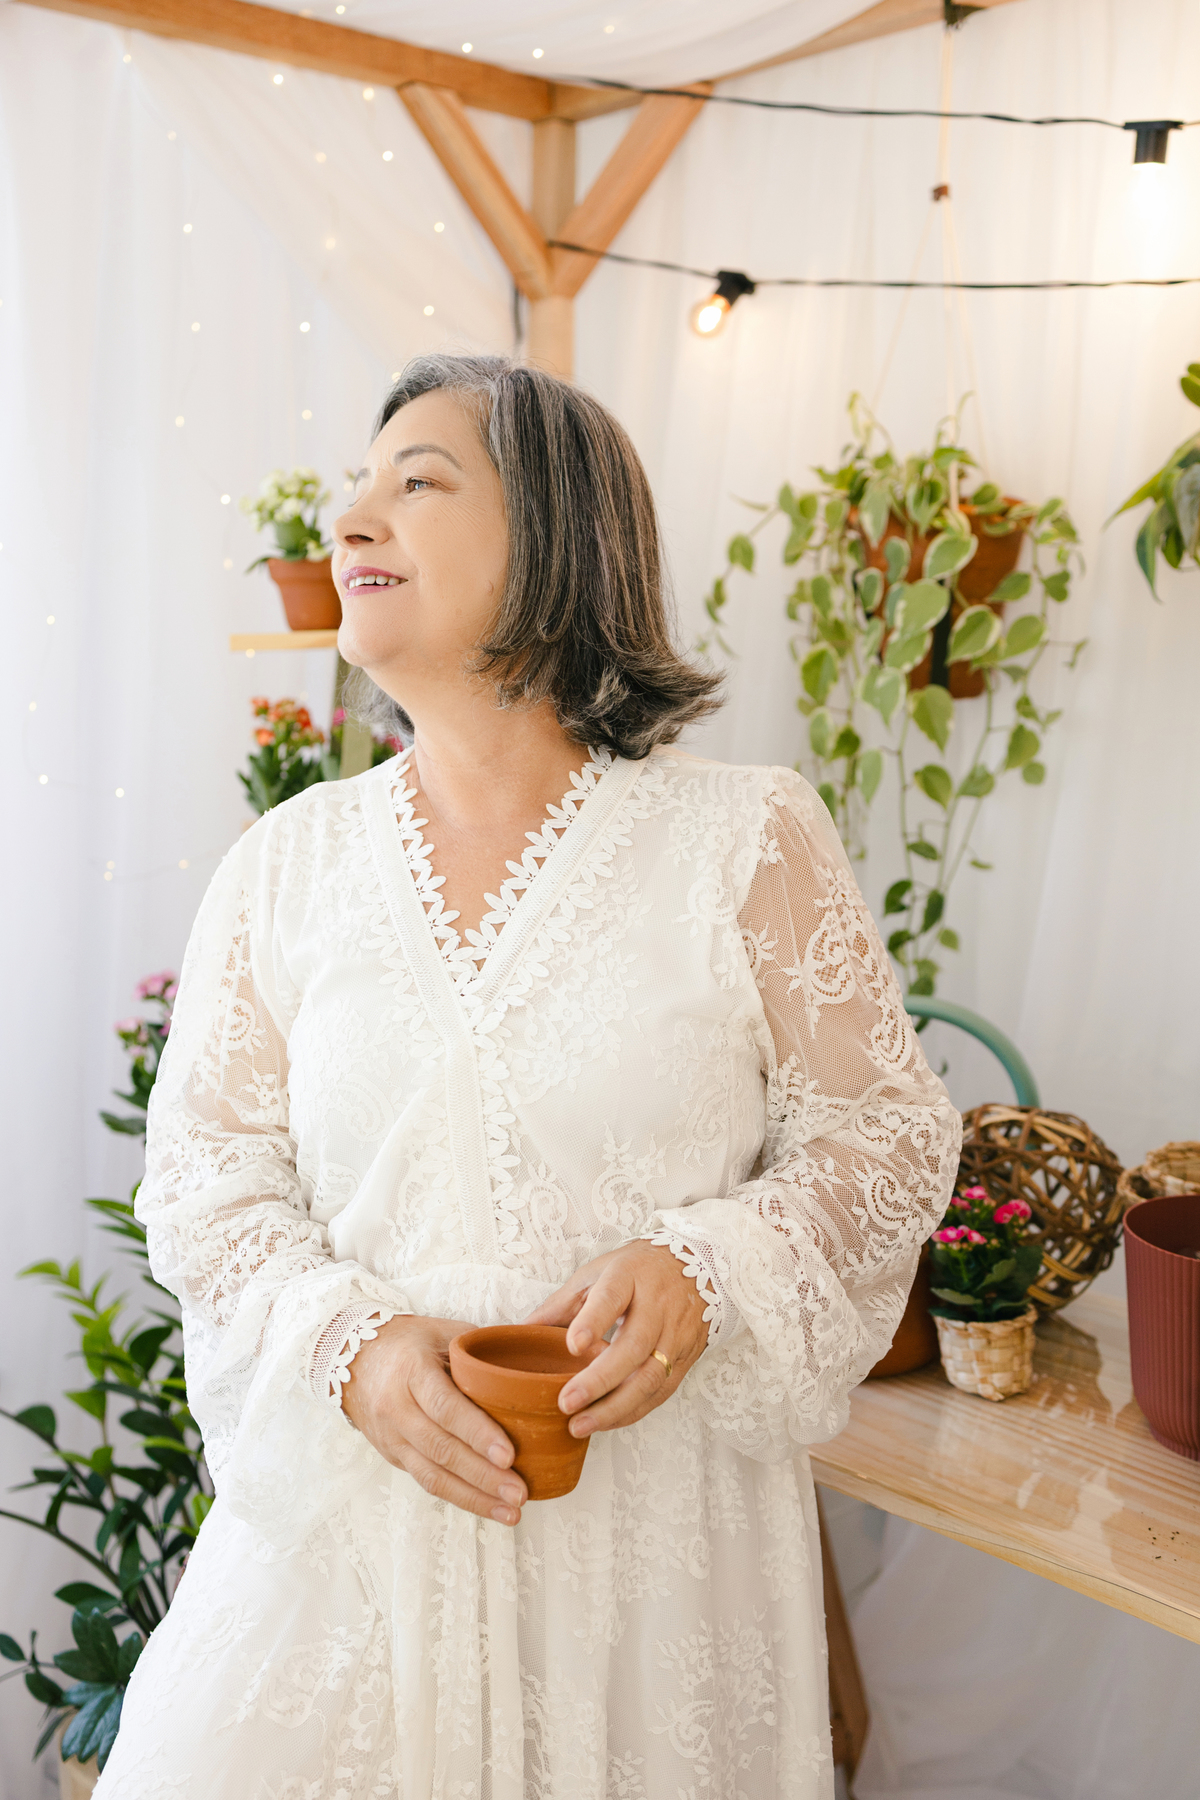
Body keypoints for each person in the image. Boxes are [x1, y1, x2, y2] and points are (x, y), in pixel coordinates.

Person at [96, 354, 959, 1800]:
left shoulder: (747, 839)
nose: (352, 521)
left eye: (416, 483)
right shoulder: (282, 870)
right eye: (353, 490)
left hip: (654, 1589)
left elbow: (887, 1137)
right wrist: (346, 1345)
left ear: (561, 535)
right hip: (346, 1565)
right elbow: (200, 1183)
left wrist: (714, 1264)